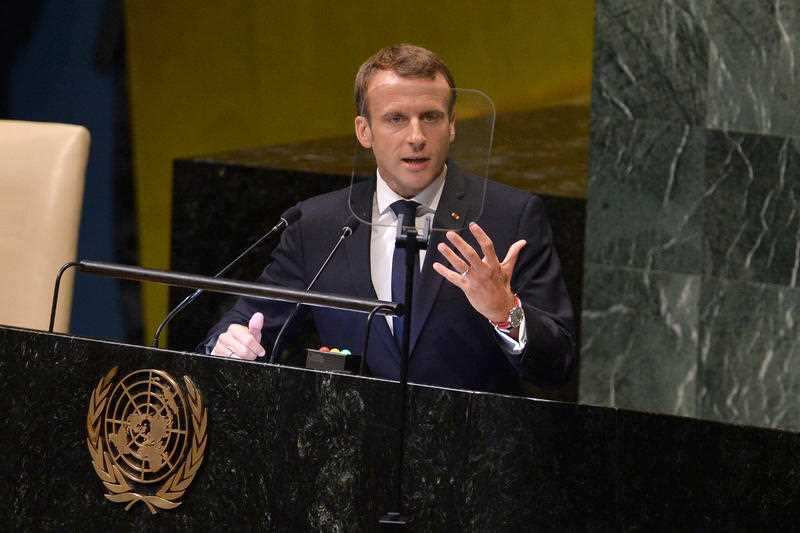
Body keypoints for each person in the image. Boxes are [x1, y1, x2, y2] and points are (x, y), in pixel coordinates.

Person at [201, 44, 575, 394]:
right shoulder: (318, 224)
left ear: (452, 126)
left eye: (430, 117)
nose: (416, 137)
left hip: (471, 452)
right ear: (364, 131)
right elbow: (243, 325)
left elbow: (557, 365)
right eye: (396, 119)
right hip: (352, 452)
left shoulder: (508, 217)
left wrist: (505, 314)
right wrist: (230, 343)